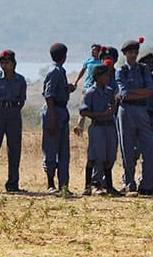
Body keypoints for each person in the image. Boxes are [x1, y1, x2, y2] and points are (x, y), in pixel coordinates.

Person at [115, 38, 153, 196]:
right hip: (126, 111)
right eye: (130, 52)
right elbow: (124, 94)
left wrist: (133, 92)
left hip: (142, 110)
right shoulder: (121, 71)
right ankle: (129, 184)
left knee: (150, 148)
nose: (133, 55)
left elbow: (151, 91)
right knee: (127, 149)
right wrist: (138, 92)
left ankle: (147, 185)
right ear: (125, 54)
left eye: (135, 52)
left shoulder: (143, 69)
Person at [0, 49, 27, 193]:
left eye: (7, 62)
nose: (4, 65)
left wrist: (13, 110)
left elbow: (22, 100)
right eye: (2, 63)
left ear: (14, 64)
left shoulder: (20, 80)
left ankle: (13, 184)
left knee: (14, 149)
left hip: (14, 113)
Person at [79, 62, 120, 196]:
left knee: (109, 156)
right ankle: (89, 185)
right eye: (105, 75)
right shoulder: (90, 92)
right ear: (97, 77)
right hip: (98, 126)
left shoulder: (109, 91)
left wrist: (112, 108)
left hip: (109, 126)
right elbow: (84, 111)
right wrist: (100, 114)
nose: (107, 77)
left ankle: (109, 186)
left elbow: (112, 107)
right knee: (95, 156)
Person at [42, 42, 75, 194]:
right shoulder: (55, 71)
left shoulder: (60, 71)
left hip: (61, 110)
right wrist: (52, 118)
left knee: (63, 151)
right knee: (51, 148)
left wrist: (67, 89)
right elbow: (49, 95)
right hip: (54, 110)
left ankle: (63, 186)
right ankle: (51, 184)